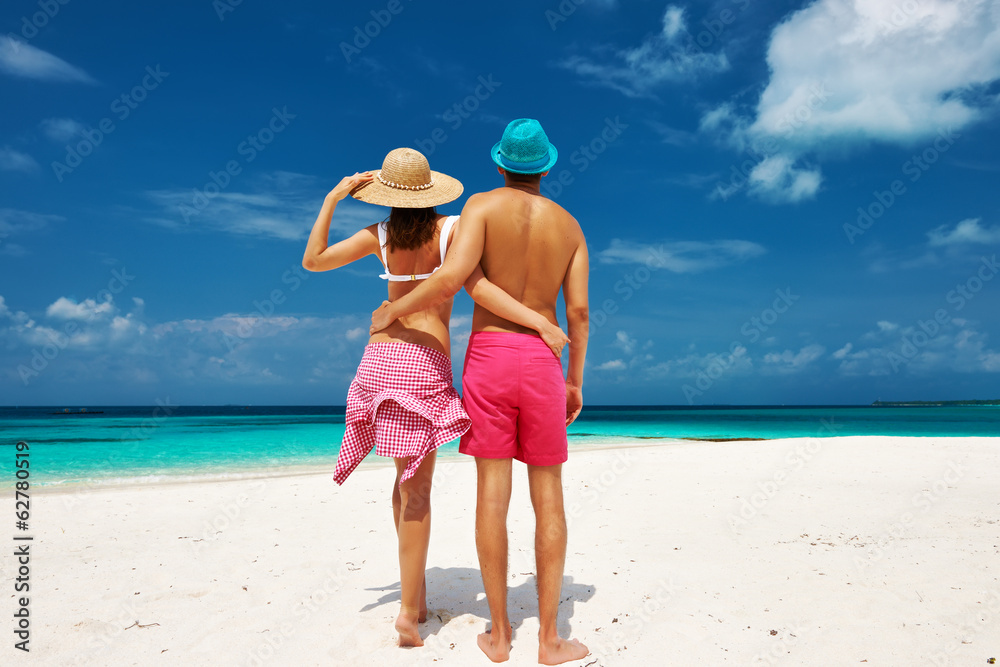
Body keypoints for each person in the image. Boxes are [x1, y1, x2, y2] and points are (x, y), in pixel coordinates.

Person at [301, 147, 568, 649]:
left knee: (401, 485)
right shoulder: (450, 232)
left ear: (386, 195)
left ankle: (416, 598)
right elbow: (478, 287)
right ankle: (407, 613)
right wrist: (538, 321)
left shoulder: (377, 236)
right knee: (418, 489)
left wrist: (334, 197)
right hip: (422, 363)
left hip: (378, 360)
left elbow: (312, 261)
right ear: (430, 191)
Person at [370, 120, 590, 665]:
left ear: (499, 164)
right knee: (550, 498)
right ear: (545, 167)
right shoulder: (570, 227)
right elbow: (580, 314)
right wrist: (574, 379)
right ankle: (549, 640)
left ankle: (498, 634)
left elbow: (454, 278)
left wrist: (393, 309)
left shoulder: (482, 208)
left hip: (490, 360)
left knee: (492, 494)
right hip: (543, 363)